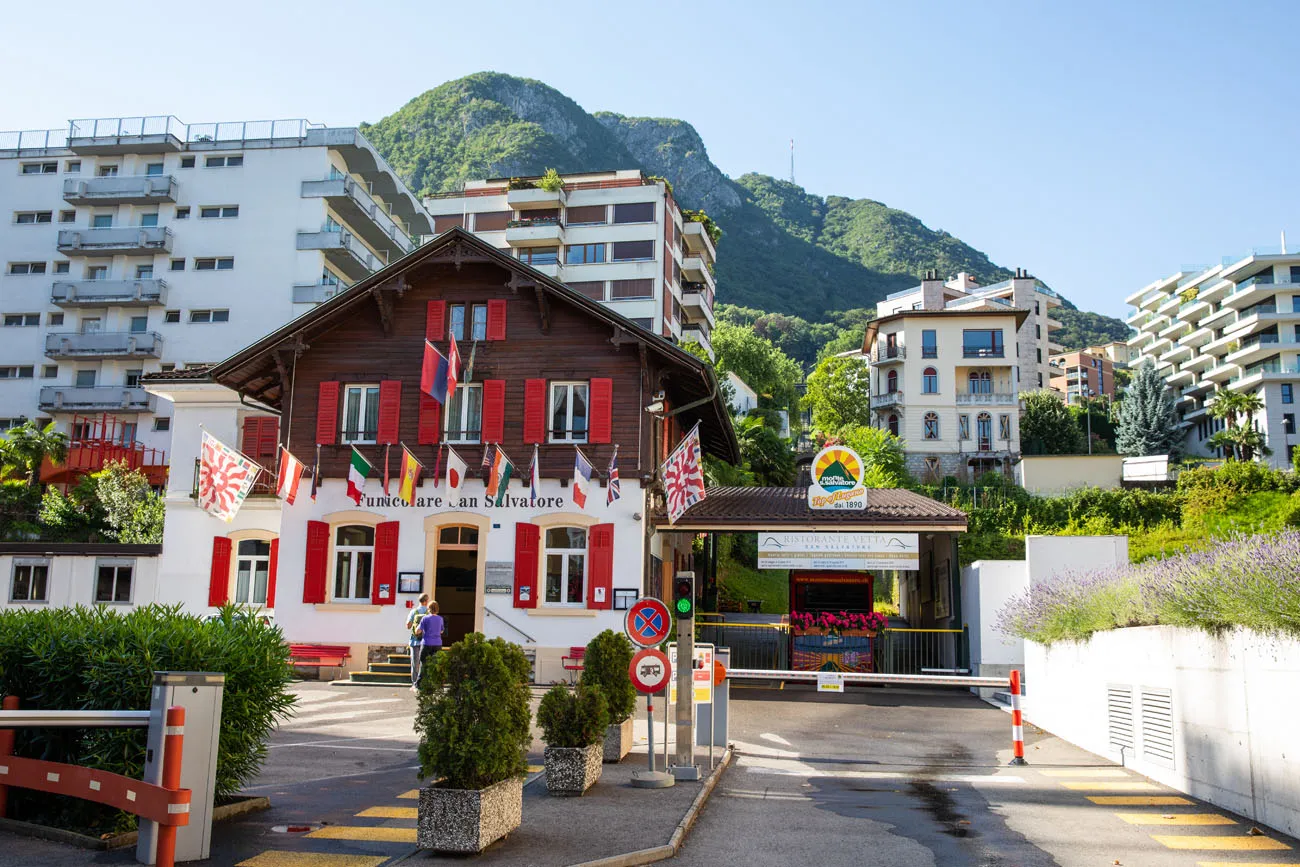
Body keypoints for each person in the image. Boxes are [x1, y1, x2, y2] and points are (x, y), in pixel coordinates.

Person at [413, 601, 445, 689]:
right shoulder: (440, 619)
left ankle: (418, 684)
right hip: (438, 643)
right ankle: (438, 684)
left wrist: (416, 629)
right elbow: (441, 631)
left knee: (423, 663)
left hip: (426, 643)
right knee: (437, 664)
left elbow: (418, 631)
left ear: (429, 609)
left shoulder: (425, 618)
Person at [406, 593, 431, 691]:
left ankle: (414, 684)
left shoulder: (414, 612)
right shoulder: (429, 613)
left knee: (415, 663)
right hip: (426, 642)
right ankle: (424, 683)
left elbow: (408, 625)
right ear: (426, 601)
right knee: (425, 662)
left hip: (414, 640)